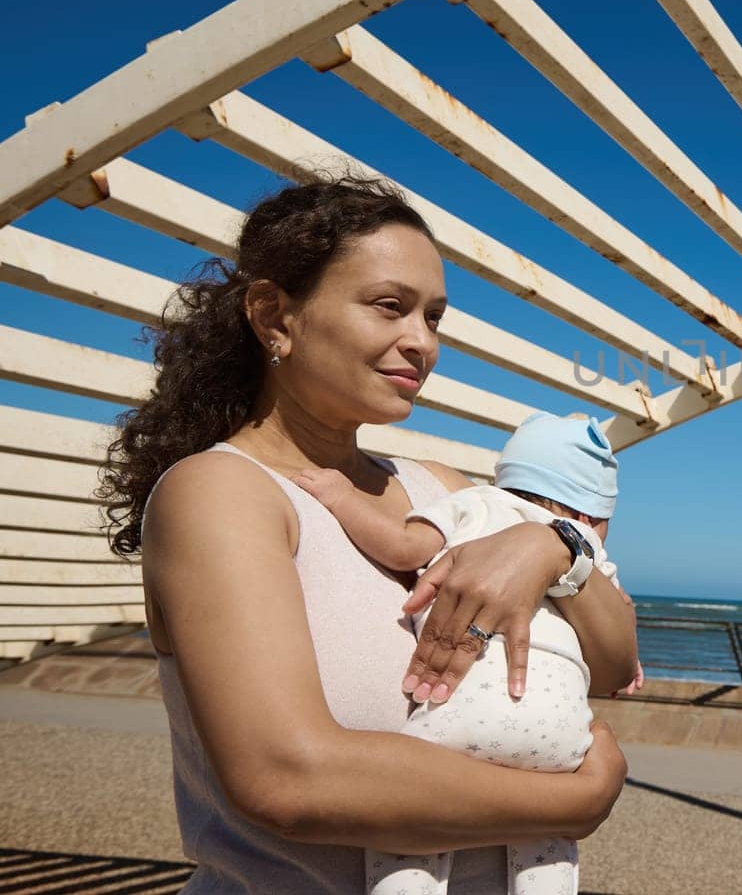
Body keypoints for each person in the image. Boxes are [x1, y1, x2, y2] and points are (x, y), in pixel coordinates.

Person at [100, 173, 638, 893]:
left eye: (435, 318)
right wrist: (575, 800)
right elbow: (287, 777)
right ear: (274, 317)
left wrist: (554, 549)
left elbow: (606, 669)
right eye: (390, 307)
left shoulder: (439, 487)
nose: (421, 343)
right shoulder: (222, 492)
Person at [293, 410, 631, 894]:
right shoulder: (584, 552)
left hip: (457, 719)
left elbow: (404, 547)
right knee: (546, 847)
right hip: (559, 741)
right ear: (592, 518)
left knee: (411, 833)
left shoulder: (474, 504)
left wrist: (340, 497)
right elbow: (619, 623)